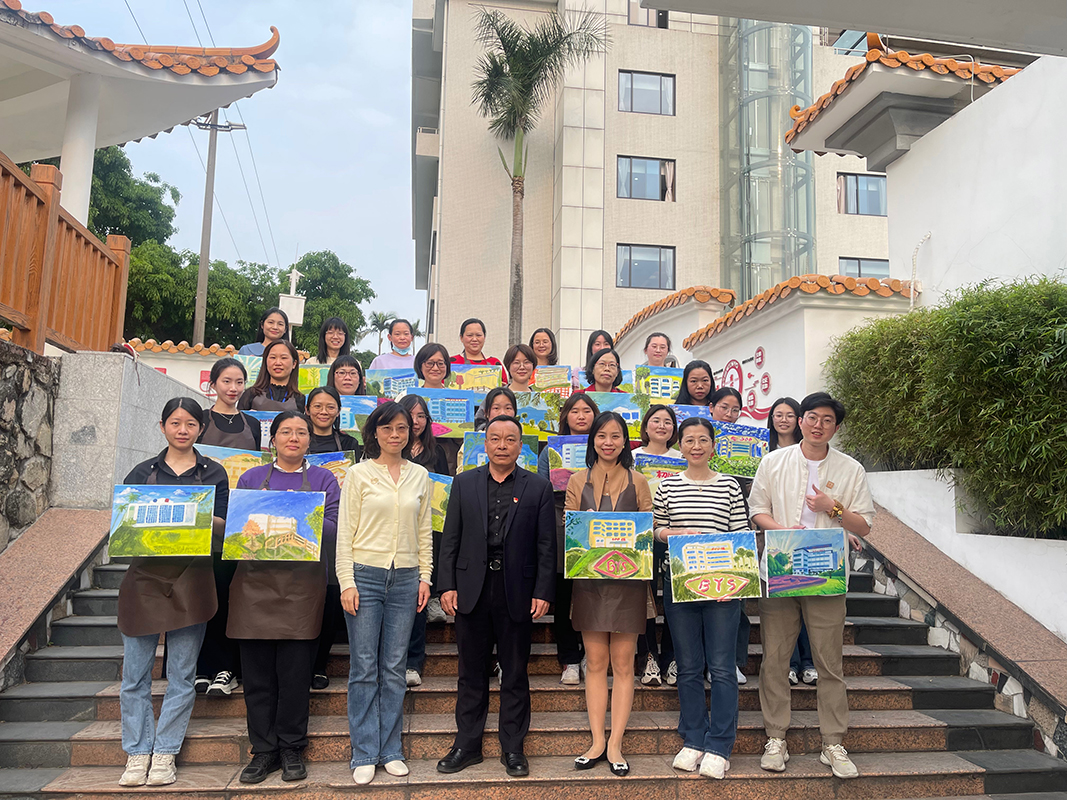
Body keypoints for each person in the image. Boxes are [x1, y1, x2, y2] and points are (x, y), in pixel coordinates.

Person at [750, 392, 875, 780]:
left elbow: (864, 525)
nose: (817, 424)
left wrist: (831, 507)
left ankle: (833, 742)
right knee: (775, 657)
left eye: (826, 419)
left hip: (827, 575)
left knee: (828, 661)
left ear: (835, 427)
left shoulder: (851, 469)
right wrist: (781, 530)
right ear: (799, 420)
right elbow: (757, 510)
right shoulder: (773, 462)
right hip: (781, 567)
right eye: (811, 417)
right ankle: (776, 737)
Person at [117, 399, 229, 788]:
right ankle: (136, 752)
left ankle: (164, 753)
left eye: (191, 424)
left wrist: (191, 512)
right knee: (135, 675)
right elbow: (123, 523)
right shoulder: (141, 472)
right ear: (162, 425)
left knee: (182, 674)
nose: (183, 430)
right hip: (144, 577)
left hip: (193, 576)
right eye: (175, 423)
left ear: (201, 428)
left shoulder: (213, 472)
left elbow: (224, 528)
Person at [436, 415, 556, 778]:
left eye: (510, 439)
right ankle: (467, 745)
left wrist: (542, 591)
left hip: (517, 590)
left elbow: (546, 546)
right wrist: (447, 585)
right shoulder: (463, 483)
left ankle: (513, 748)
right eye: (495, 438)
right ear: (484, 444)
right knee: (470, 672)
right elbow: (450, 540)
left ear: (521, 446)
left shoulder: (537, 487)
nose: (502, 445)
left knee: (515, 673)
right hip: (471, 588)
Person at [229, 412, 341, 784]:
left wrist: (298, 510)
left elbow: (335, 528)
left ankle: (292, 747)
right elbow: (238, 529)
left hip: (303, 589)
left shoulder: (325, 479)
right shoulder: (251, 478)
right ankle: (263, 751)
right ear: (272, 439)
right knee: (258, 677)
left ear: (310, 440)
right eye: (286, 432)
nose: (293, 438)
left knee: (295, 675)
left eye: (301, 432)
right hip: (254, 588)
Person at [337, 401, 433, 785]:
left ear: (411, 433)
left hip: (407, 578)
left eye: (402, 428)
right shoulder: (358, 475)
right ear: (374, 432)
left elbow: (424, 531)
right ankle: (364, 751)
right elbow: (345, 534)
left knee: (394, 667)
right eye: (388, 428)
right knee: (363, 667)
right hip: (365, 576)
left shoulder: (420, 476)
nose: (395, 434)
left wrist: (425, 576)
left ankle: (390, 748)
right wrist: (347, 581)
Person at [653, 417, 749, 779]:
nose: (696, 446)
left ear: (713, 446)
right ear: (680, 445)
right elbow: (656, 528)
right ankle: (693, 738)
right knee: (689, 666)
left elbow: (741, 532)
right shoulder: (668, 487)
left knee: (722, 667)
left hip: (723, 586)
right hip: (681, 585)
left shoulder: (728, 485)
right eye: (689, 440)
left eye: (703, 440)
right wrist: (678, 532)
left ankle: (720, 744)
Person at [566, 411, 653, 776]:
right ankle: (596, 741)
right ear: (593, 440)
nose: (608, 442)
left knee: (623, 663)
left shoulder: (640, 480)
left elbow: (648, 530)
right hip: (588, 582)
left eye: (616, 436)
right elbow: (570, 531)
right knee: (596, 663)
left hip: (629, 582)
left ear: (625, 440)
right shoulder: (576, 479)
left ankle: (615, 743)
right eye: (602, 436)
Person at [195, 360, 257, 700]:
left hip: (240, 518)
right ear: (214, 384)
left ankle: (227, 668)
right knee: (205, 593)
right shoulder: (200, 419)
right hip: (205, 518)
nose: (232, 388)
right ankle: (202, 667)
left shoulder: (252, 424)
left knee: (232, 592)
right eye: (226, 381)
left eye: (238, 382)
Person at [537, 392, 599, 684]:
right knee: (563, 594)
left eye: (587, 410)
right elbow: (541, 490)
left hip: (598, 526)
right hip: (561, 522)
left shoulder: (604, 447)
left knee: (590, 593)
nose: (581, 416)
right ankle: (569, 660)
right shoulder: (550, 451)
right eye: (575, 411)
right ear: (566, 417)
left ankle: (591, 654)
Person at [305, 387, 363, 690]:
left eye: (330, 406)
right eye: (317, 406)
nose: (323, 411)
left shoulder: (350, 444)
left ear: (339, 410)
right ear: (308, 409)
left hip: (335, 524)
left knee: (329, 597)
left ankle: (319, 664)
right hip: (299, 524)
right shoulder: (299, 438)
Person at [398, 393, 449, 685]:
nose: (416, 422)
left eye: (421, 417)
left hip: (428, 528)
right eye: (410, 415)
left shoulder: (437, 451)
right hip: (395, 531)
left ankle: (414, 662)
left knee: (417, 597)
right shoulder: (389, 448)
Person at [766, 397, 816, 686]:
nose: (783, 420)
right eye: (777, 415)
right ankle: (790, 662)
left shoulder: (812, 456)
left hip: (809, 541)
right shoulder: (761, 453)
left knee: (806, 601)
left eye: (789, 415)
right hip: (773, 538)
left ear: (798, 420)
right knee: (783, 603)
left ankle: (807, 662)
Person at [632, 405, 680, 688]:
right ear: (646, 426)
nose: (661, 426)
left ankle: (673, 659)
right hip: (641, 537)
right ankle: (648, 656)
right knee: (644, 601)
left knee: (675, 600)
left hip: (675, 536)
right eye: (655, 421)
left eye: (667, 422)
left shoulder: (682, 458)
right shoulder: (633, 458)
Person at [707, 385, 750, 684]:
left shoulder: (745, 443)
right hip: (694, 530)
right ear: (711, 407)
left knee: (735, 601)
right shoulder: (697, 436)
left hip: (730, 525)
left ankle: (731, 661)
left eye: (735, 409)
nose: (730, 414)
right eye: (724, 407)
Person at [238, 340, 306, 413]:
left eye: (284, 358)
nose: (278, 363)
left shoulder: (300, 399)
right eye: (273, 357)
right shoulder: (251, 394)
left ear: (294, 364)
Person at [306, 387, 362, 457]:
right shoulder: (298, 442)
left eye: (331, 407)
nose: (324, 412)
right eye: (317, 406)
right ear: (307, 410)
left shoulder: (348, 443)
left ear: (338, 411)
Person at [451, 318, 506, 382]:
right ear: (461, 338)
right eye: (470, 335)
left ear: (484, 337)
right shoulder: (451, 363)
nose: (474, 339)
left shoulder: (494, 363)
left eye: (478, 335)